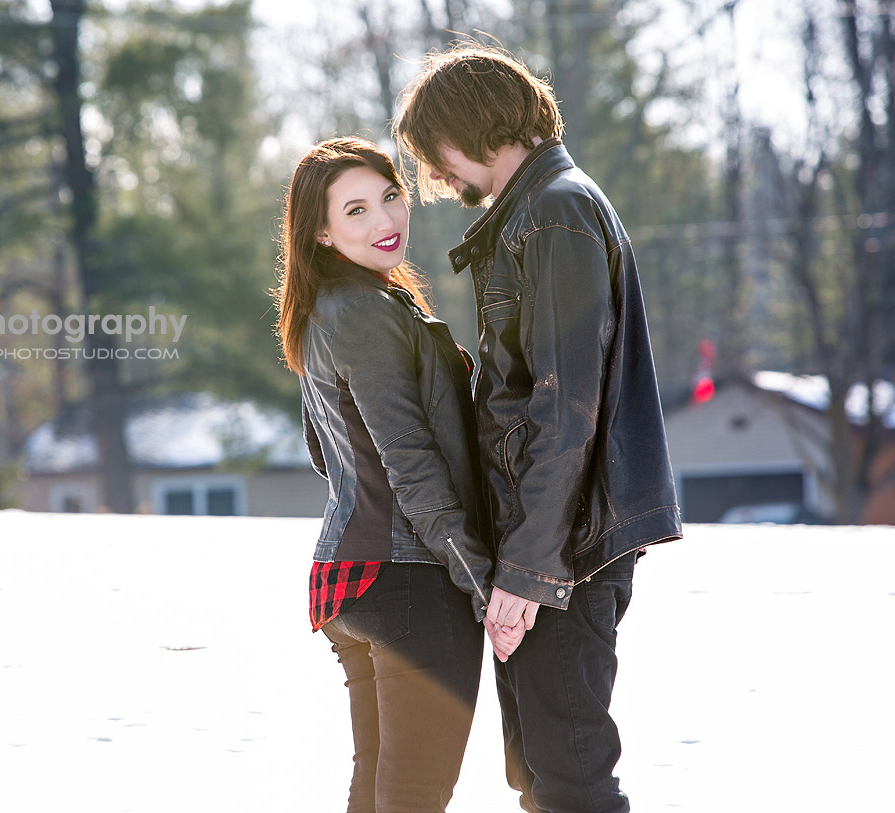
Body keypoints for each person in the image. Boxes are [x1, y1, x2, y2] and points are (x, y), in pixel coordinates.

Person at [394, 45, 683, 813]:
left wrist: (528, 568)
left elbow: (565, 407)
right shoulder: (532, 209)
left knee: (570, 772)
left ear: (472, 126)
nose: (442, 175)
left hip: (564, 549)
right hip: (548, 541)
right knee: (542, 774)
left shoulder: (554, 211)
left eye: (438, 153)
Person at [273, 136, 509, 813]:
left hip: (354, 580)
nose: (385, 221)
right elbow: (409, 463)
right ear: (319, 231)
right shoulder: (367, 313)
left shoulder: (328, 308)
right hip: (407, 580)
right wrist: (479, 581)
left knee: (380, 794)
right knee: (412, 797)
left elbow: (330, 450)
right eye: (356, 211)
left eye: (389, 196)